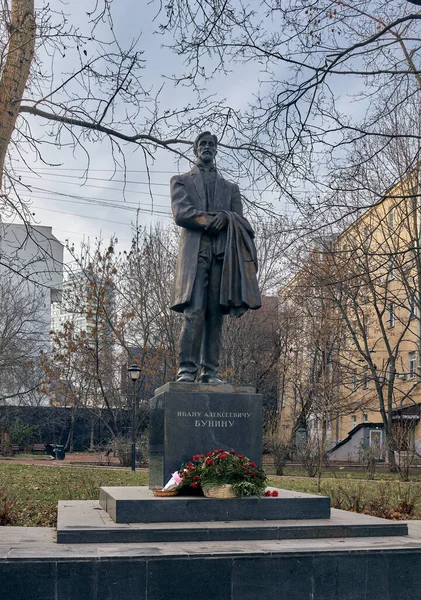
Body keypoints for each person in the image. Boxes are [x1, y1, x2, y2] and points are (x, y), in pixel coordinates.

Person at [170, 131, 261, 383]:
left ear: (216, 150)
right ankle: (186, 371)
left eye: (211, 144)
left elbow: (241, 221)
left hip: (223, 257)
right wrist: (213, 219)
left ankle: (211, 372)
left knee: (215, 316)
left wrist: (228, 217)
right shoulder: (181, 181)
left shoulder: (231, 188)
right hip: (195, 256)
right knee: (195, 312)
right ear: (195, 149)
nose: (207, 148)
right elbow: (182, 213)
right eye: (203, 144)